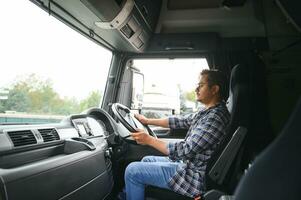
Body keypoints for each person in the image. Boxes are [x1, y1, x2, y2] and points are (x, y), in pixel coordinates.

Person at [124, 69, 230, 200]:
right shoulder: (208, 112)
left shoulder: (215, 118)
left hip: (194, 178)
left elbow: (186, 149)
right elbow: (180, 121)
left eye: (201, 85)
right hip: (189, 165)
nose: (196, 89)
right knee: (147, 160)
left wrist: (149, 140)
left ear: (214, 89)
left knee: (132, 171)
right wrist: (147, 121)